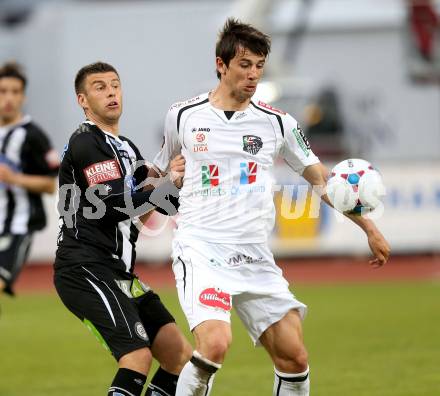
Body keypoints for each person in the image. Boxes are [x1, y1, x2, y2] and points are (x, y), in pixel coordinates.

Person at [152, 19, 391, 395]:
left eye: (259, 66)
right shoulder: (183, 115)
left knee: (294, 357)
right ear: (221, 64)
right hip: (202, 247)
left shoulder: (277, 123)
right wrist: (165, 181)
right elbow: (157, 174)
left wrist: (369, 228)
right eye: (245, 65)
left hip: (254, 254)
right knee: (214, 344)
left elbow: (321, 181)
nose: (253, 74)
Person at [54, 61, 192, 396]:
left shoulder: (127, 148)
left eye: (115, 84)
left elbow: (161, 206)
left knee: (180, 358)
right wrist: (165, 184)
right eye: (99, 87)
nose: (111, 91)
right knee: (136, 356)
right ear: (83, 100)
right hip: (84, 265)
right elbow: (117, 205)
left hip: (118, 270)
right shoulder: (86, 142)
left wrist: (180, 176)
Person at [0, 61, 59, 299]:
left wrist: (14, 178)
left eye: (15, 92)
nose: (9, 98)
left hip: (18, 226)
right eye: (3, 92)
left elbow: (49, 184)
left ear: (23, 97)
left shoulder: (34, 136)